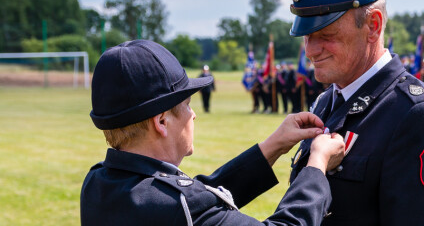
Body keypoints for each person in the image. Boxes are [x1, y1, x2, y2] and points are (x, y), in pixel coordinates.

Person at [81, 40, 346, 226]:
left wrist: (272, 146)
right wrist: (317, 165)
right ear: (161, 121)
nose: (193, 114)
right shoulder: (179, 205)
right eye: (186, 105)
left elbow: (201, 198)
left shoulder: (97, 182)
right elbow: (192, 206)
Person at [286, 0, 424, 225]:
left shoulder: (417, 113)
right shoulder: (326, 102)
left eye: (325, 34)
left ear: (373, 26)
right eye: (306, 36)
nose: (310, 50)